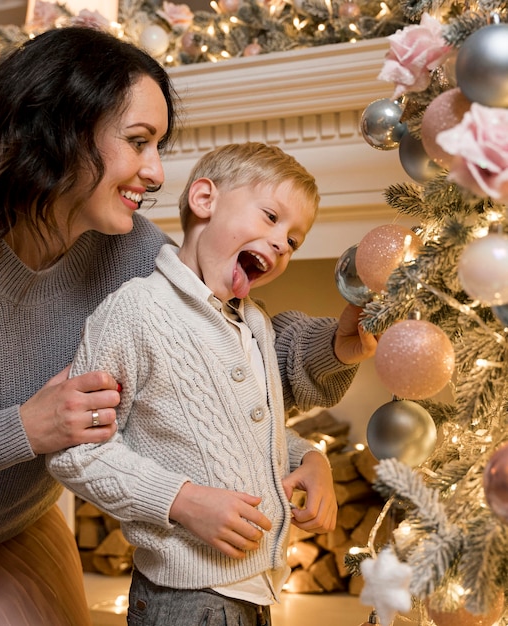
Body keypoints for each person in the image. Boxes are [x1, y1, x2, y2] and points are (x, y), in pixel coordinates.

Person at [0, 25, 179, 625]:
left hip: (25, 541)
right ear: (61, 134)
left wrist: (298, 448)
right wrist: (19, 431)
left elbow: (214, 365)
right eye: (139, 141)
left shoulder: (134, 255)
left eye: (159, 147)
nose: (156, 173)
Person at [47, 142, 378, 626]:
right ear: (204, 200)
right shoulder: (136, 311)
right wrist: (180, 500)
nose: (283, 243)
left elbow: (243, 434)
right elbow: (76, 453)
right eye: (270, 217)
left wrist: (310, 457)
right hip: (183, 603)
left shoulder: (254, 325)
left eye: (294, 240)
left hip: (258, 595)